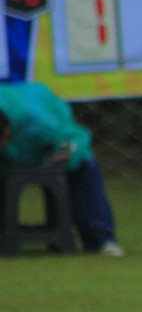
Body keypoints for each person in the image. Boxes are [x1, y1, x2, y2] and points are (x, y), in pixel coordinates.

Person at [0, 82, 124, 256]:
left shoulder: (41, 122)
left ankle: (101, 239)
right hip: (8, 159)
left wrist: (66, 152)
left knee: (83, 165)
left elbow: (76, 138)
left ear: (7, 131)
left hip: (48, 148)